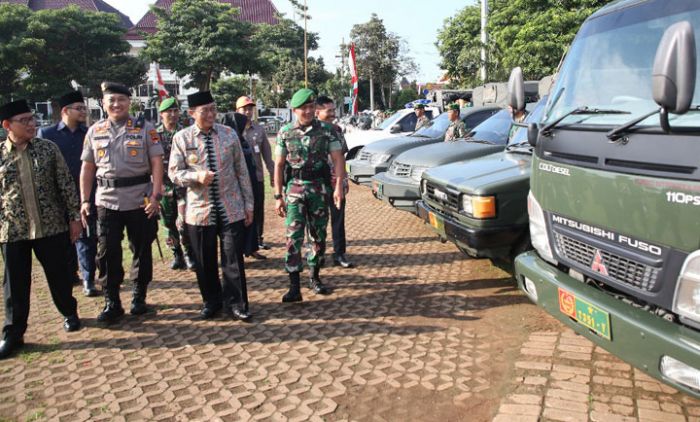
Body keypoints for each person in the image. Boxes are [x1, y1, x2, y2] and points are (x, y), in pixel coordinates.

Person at [0, 99, 82, 359]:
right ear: (7, 125)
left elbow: (66, 185)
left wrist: (74, 218)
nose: (31, 124)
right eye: (24, 121)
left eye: (32, 119)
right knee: (15, 284)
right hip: (13, 231)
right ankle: (14, 333)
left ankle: (69, 312)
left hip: (51, 226)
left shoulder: (47, 149)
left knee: (59, 275)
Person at [80, 82, 164, 324]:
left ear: (130, 102)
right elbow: (87, 168)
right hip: (107, 202)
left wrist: (156, 196)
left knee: (141, 249)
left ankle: (139, 297)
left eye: (121, 100)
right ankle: (112, 301)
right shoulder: (94, 131)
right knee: (107, 253)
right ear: (103, 104)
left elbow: (157, 162)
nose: (116, 104)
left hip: (140, 200)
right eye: (111, 100)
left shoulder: (145, 129)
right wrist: (85, 200)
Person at [169, 91, 254, 321]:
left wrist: (249, 205)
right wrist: (196, 177)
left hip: (231, 206)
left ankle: (237, 303)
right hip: (199, 211)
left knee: (233, 259)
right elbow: (174, 173)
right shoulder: (182, 138)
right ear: (191, 113)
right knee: (204, 261)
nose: (210, 114)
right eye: (204, 110)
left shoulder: (229, 134)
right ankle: (211, 301)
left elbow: (242, 171)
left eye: (213, 109)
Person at [274, 88, 346, 302]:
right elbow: (278, 165)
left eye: (310, 107)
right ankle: (294, 286)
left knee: (318, 235)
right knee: (293, 237)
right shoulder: (285, 132)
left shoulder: (327, 130)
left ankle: (315, 277)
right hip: (294, 189)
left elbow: (338, 158)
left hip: (319, 188)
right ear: (294, 110)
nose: (307, 111)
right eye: (302, 108)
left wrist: (338, 186)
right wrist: (278, 195)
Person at [37, 91, 99, 297]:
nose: (83, 112)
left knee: (86, 237)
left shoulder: (89, 133)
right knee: (64, 240)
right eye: (79, 108)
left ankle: (89, 279)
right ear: (65, 111)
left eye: (84, 108)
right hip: (58, 197)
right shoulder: (47, 134)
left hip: (85, 193)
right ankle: (70, 274)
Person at [156, 97, 194, 271]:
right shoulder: (154, 135)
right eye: (168, 112)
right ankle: (176, 253)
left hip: (183, 186)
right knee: (168, 223)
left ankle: (189, 252)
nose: (172, 114)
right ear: (161, 114)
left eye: (175, 111)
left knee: (185, 221)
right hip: (164, 186)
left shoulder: (186, 133)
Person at [315, 96, 352, 268]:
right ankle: (317, 254)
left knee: (338, 220)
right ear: (317, 112)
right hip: (317, 183)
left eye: (333, 110)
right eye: (328, 111)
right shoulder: (312, 131)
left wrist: (344, 179)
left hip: (336, 183)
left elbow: (342, 156)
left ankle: (339, 254)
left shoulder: (337, 130)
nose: (332, 114)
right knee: (317, 221)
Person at [236, 96, 275, 252]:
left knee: (258, 209)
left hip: (257, 177)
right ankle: (244, 243)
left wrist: (272, 174)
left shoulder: (259, 130)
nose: (248, 111)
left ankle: (258, 240)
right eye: (244, 108)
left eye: (250, 108)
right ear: (237, 110)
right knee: (242, 211)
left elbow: (267, 154)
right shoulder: (232, 130)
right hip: (238, 181)